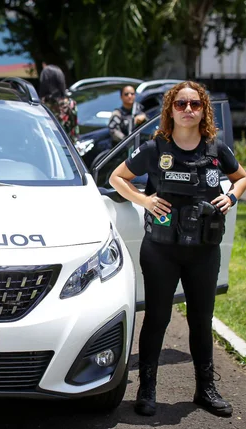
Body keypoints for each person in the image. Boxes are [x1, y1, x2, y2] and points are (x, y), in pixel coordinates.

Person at [109, 81, 246, 417]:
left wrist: (231, 196)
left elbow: (242, 177)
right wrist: (143, 199)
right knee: (157, 318)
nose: (188, 109)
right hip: (161, 249)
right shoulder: (157, 148)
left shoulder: (216, 148)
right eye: (181, 104)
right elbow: (117, 177)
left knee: (201, 319)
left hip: (204, 250)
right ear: (170, 109)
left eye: (195, 104)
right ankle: (147, 389)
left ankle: (205, 389)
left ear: (204, 110)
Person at [38, 65, 79, 143]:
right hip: (64, 149)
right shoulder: (70, 104)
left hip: (44, 147)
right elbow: (74, 133)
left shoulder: (38, 105)